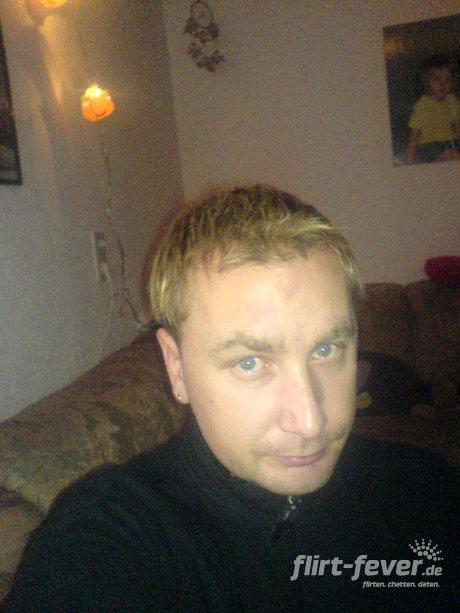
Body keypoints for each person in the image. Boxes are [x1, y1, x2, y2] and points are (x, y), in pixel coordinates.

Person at [2, 186, 458, 611]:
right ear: (177, 367)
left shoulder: (427, 487)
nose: (310, 421)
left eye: (326, 350)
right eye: (250, 363)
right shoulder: (107, 538)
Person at [405, 55, 460, 164]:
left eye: (447, 80)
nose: (442, 84)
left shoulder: (453, 101)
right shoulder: (423, 105)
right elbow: (414, 134)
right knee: (445, 156)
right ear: (427, 81)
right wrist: (409, 157)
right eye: (437, 79)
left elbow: (458, 125)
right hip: (429, 145)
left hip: (451, 142)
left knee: (452, 153)